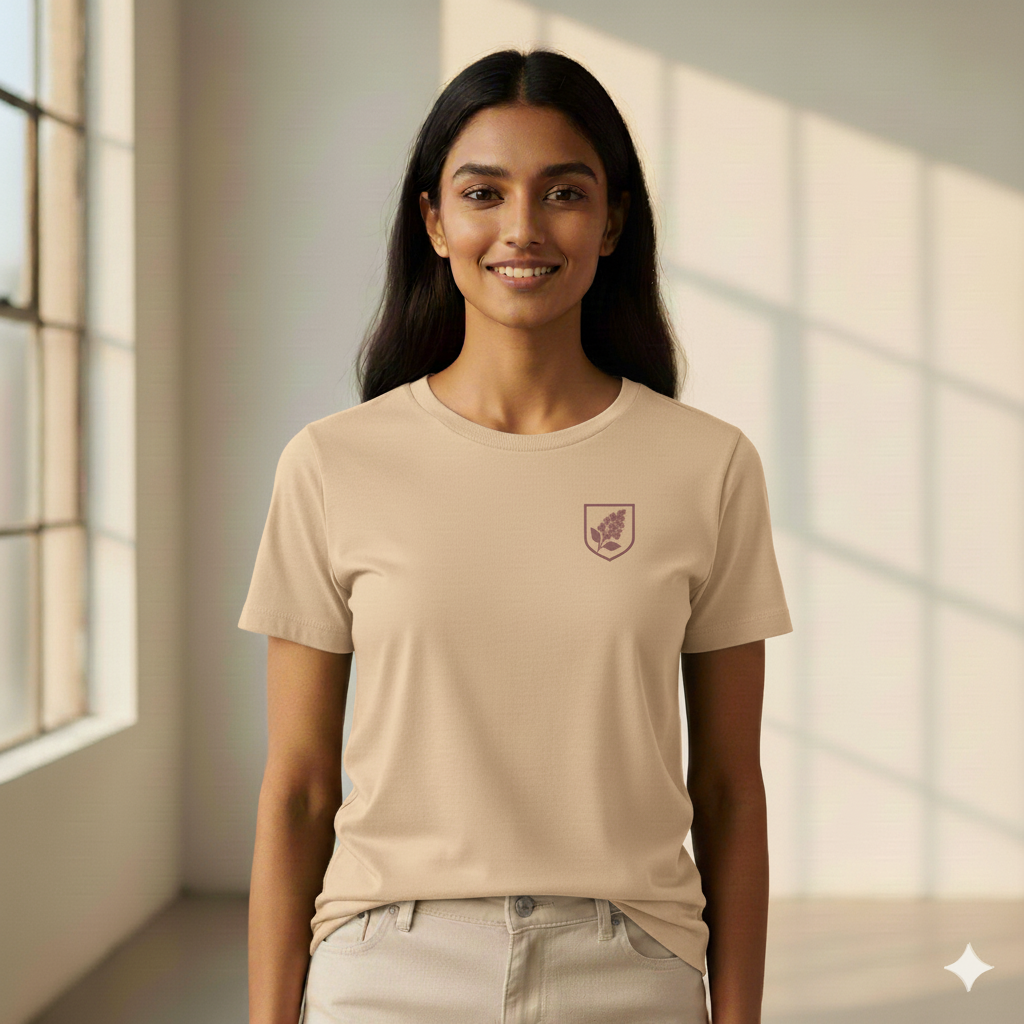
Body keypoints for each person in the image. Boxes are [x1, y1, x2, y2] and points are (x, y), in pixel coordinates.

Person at [241, 48, 792, 1024]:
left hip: (630, 971)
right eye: (483, 193)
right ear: (434, 221)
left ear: (612, 222)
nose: (523, 228)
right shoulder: (331, 464)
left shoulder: (707, 466)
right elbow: (298, 788)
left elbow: (728, 789)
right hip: (386, 970)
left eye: (564, 193)